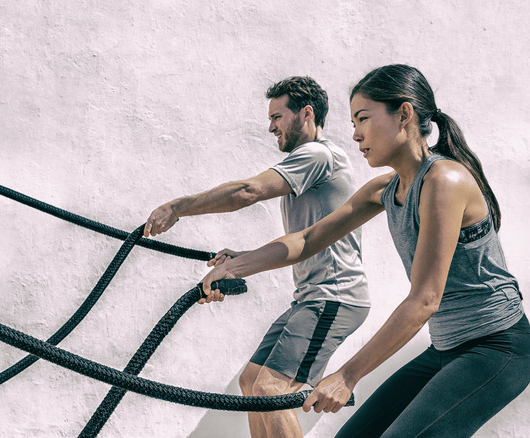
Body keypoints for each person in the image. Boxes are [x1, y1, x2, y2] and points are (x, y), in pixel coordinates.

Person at [200, 64, 530, 437]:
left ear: (404, 114)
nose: (356, 134)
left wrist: (348, 375)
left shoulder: (445, 180)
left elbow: (425, 299)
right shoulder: (384, 190)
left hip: (498, 350)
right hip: (445, 349)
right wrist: (236, 267)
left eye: (363, 118)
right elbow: (308, 240)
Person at [145, 76, 371, 437]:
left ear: (306, 114)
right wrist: (241, 259)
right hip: (311, 298)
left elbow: (248, 191)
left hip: (335, 297)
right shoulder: (312, 164)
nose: (270, 127)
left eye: (277, 117)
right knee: (252, 383)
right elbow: (304, 239)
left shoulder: (317, 154)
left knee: (270, 390)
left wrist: (178, 207)